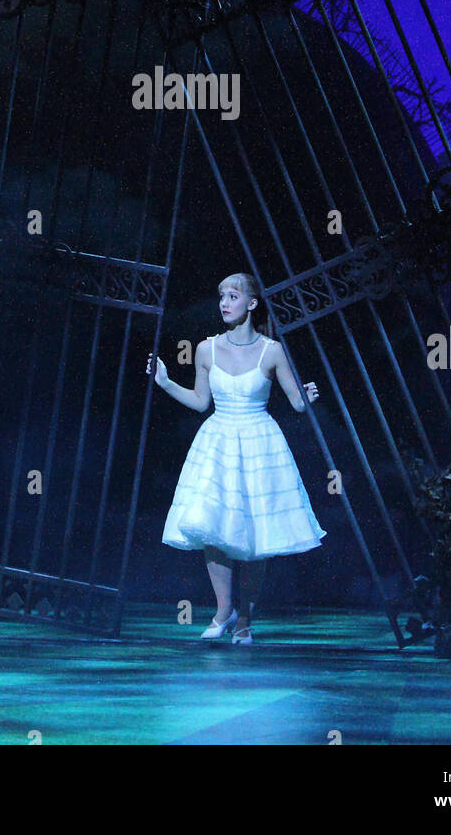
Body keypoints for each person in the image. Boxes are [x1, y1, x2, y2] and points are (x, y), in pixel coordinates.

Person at [146, 272, 325, 644]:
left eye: (233, 295)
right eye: (222, 295)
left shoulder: (271, 350)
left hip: (259, 441)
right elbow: (200, 402)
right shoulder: (206, 349)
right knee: (212, 526)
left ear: (252, 303)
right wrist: (164, 382)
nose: (225, 302)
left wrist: (307, 395)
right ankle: (223, 609)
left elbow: (296, 402)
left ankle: (245, 617)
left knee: (255, 534)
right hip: (219, 439)